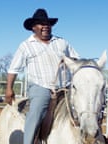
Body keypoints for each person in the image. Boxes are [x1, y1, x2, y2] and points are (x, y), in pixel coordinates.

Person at [5, 8, 79, 144]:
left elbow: (76, 61)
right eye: (40, 23)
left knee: (86, 107)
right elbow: (13, 69)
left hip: (65, 87)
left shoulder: (62, 42)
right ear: (33, 27)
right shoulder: (26, 46)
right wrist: (9, 89)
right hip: (41, 87)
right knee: (36, 111)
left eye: (47, 23)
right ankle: (28, 141)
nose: (45, 26)